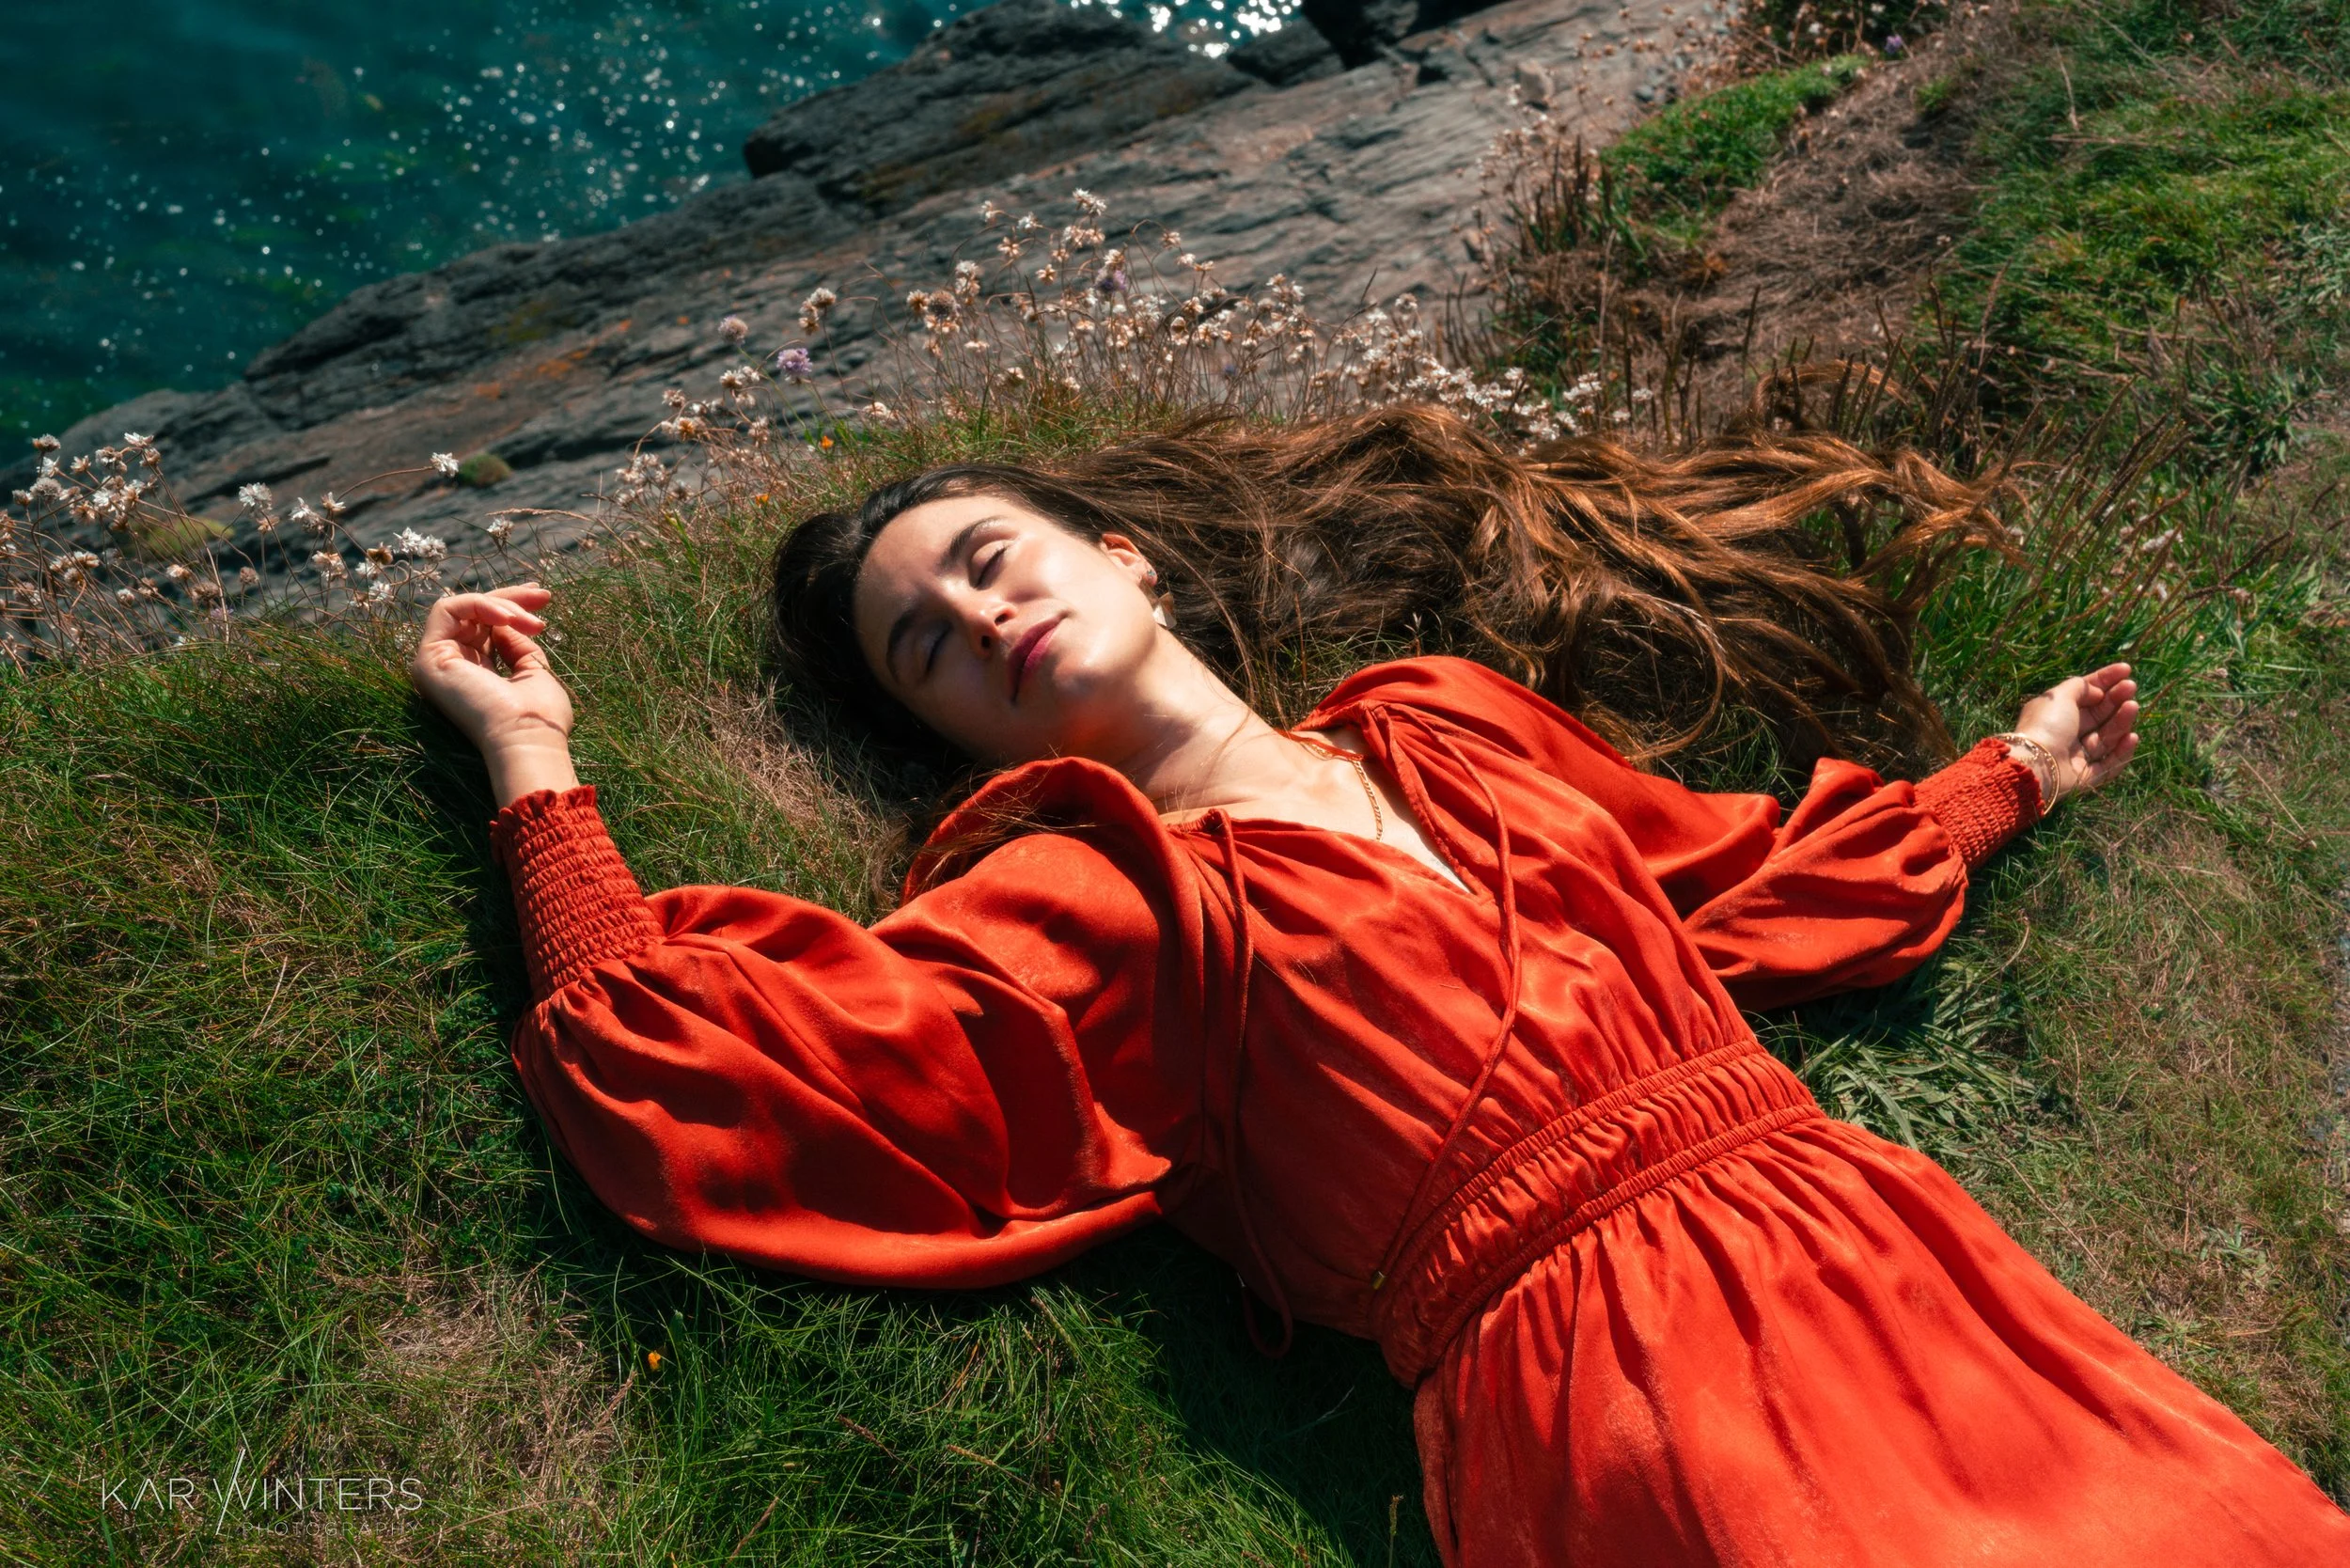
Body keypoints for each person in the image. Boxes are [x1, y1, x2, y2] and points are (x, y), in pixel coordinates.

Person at [410, 407, 2349, 1565]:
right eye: (925, 645)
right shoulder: (1093, 894)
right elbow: (687, 1058)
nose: (982, 615)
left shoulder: (1438, 722)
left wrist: (2008, 772)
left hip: (1868, 1242)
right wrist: (529, 756)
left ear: (1124, 562)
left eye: (990, 561)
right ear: (939, 736)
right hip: (1608, 1368)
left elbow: (1737, 888)